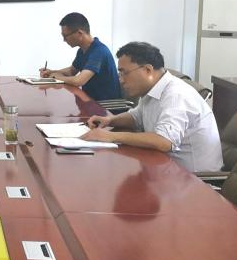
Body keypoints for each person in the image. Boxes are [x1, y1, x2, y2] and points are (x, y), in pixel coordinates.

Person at [83, 41, 222, 171]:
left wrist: (111, 136)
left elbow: (164, 141)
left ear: (148, 70)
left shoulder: (176, 95)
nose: (121, 80)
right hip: (165, 166)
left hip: (193, 178)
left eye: (124, 73)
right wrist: (110, 120)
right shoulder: (153, 89)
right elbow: (136, 117)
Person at [39, 12, 122, 101]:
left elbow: (79, 81)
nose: (64, 40)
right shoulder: (82, 51)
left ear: (79, 33)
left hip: (105, 105)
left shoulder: (99, 51)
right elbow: (71, 71)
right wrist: (52, 72)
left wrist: (55, 78)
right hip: (90, 101)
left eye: (65, 36)